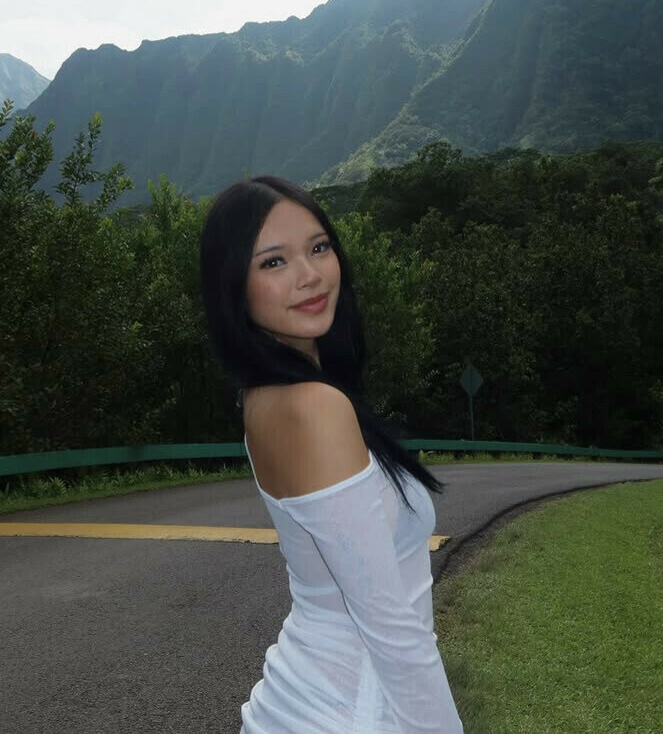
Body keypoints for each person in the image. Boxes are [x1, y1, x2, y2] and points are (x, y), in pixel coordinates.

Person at [199, 175, 465, 734]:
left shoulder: (267, 396)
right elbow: (391, 629)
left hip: (311, 703)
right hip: (347, 712)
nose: (310, 275)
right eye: (274, 262)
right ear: (233, 286)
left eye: (319, 248)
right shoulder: (312, 406)